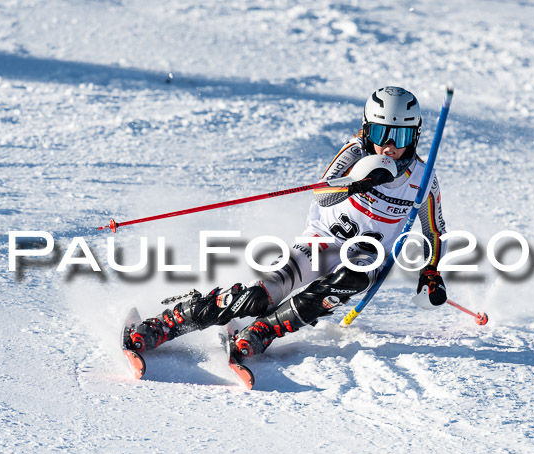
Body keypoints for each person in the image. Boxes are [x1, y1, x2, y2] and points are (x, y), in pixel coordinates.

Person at [125, 86, 448, 358]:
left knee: (356, 276)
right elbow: (322, 196)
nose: (389, 146)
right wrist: (356, 182)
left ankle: (264, 331)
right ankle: (165, 324)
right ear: (367, 129)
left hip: (363, 257)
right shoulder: (353, 152)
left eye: (400, 134)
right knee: (259, 297)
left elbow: (434, 230)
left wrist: (431, 271)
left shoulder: (423, 178)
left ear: (415, 135)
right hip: (320, 243)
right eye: (381, 133)